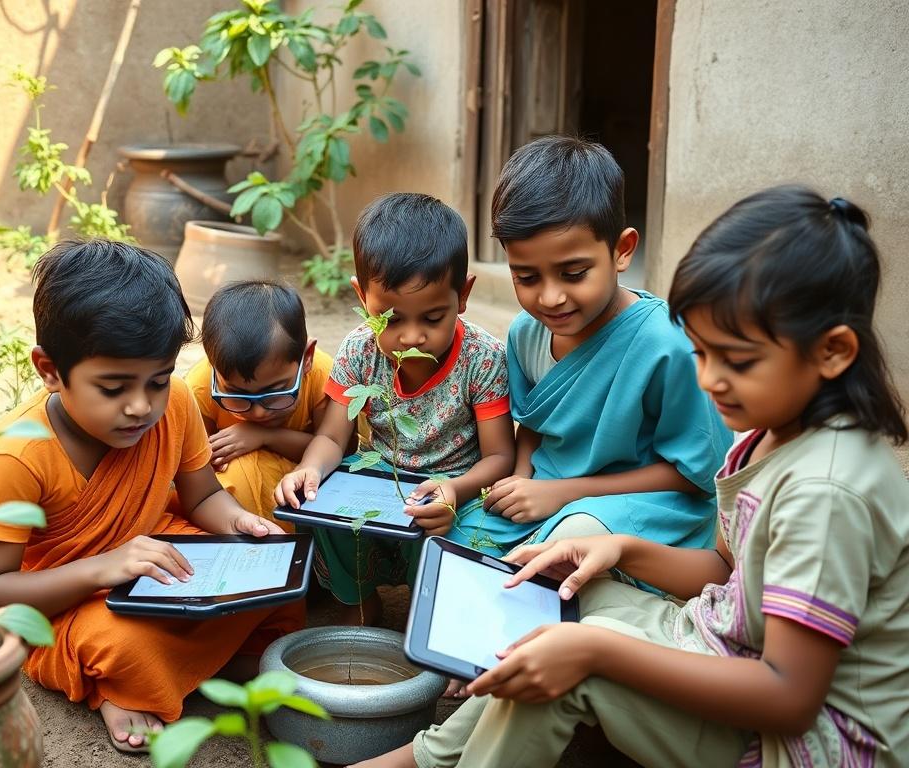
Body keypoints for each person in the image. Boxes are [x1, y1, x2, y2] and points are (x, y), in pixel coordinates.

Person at [354, 186, 909, 768]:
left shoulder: (826, 490)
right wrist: (615, 547)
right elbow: (720, 571)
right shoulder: (765, 433)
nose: (712, 381)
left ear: (832, 352)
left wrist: (598, 653)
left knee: (573, 665)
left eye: (738, 361)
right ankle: (431, 756)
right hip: (720, 638)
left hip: (802, 745)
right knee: (562, 596)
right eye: (701, 354)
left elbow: (790, 700)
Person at [0, 241, 303, 753]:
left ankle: (193, 662)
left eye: (157, 381)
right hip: (64, 597)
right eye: (114, 387)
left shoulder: (177, 403)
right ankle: (121, 687)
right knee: (123, 646)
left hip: (153, 559)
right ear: (50, 370)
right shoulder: (14, 457)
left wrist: (240, 525)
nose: (141, 407)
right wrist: (105, 568)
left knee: (275, 569)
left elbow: (203, 494)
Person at [452, 135, 731, 556]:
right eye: (527, 278)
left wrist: (564, 493)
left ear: (622, 250)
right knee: (458, 538)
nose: (549, 298)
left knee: (569, 542)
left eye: (574, 272)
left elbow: (692, 473)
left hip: (643, 502)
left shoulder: (668, 344)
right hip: (551, 486)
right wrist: (524, 478)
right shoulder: (526, 334)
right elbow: (533, 421)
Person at [275, 192, 516, 625]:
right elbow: (332, 437)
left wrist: (454, 491)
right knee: (320, 506)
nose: (410, 338)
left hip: (453, 491)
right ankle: (360, 605)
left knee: (477, 536)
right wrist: (309, 470)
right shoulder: (358, 350)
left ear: (463, 296)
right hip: (378, 482)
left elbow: (500, 456)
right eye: (389, 317)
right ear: (361, 296)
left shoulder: (483, 358)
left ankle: (443, 618)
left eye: (432, 318)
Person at [185, 280, 337, 528]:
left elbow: (340, 449)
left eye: (275, 393)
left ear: (306, 358)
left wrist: (264, 435)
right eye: (235, 394)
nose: (257, 412)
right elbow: (197, 475)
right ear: (214, 367)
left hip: (304, 490)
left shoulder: (323, 376)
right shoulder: (199, 389)